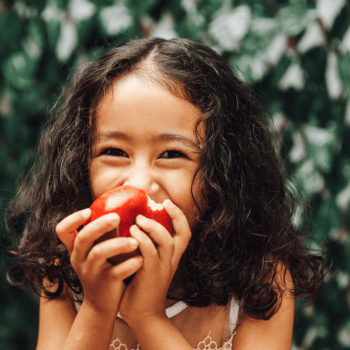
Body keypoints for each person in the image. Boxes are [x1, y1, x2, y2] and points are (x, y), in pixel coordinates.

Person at [5, 37, 327, 350]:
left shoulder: (261, 281)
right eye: (114, 151)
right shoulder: (65, 270)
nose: (140, 183)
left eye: (172, 154)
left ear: (224, 173)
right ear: (81, 163)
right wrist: (97, 308)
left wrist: (148, 318)